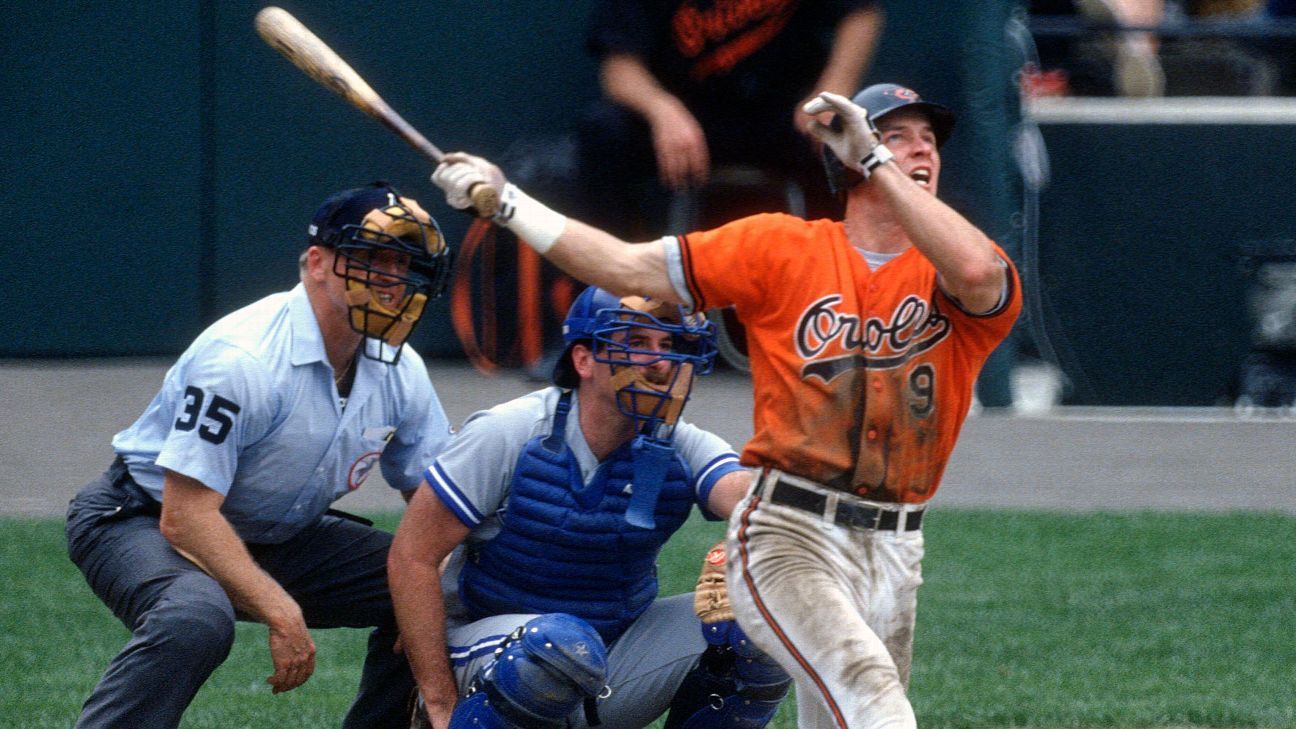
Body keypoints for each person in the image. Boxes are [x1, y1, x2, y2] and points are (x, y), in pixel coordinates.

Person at [431, 83, 1023, 727]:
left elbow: (975, 274)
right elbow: (627, 267)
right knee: (875, 700)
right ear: (844, 156)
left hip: (898, 546)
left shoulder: (959, 268)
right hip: (791, 532)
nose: (920, 150)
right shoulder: (780, 247)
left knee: (844, 712)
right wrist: (510, 205)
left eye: (928, 140)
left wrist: (877, 158)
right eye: (898, 134)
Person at [64, 182, 455, 728]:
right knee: (195, 619)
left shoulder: (400, 368)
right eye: (373, 260)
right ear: (318, 263)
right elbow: (186, 517)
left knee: (439, 592)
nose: (391, 280)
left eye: (403, 265)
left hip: (277, 534)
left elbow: (437, 503)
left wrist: (434, 579)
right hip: (141, 520)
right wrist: (280, 609)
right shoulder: (243, 358)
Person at [388, 286, 791, 729]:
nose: (660, 362)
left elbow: (742, 493)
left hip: (615, 657)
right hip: (495, 649)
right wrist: (439, 702)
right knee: (556, 647)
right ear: (583, 360)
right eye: (636, 343)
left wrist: (772, 499)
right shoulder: (510, 431)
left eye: (670, 345)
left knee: (755, 619)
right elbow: (412, 556)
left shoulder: (682, 442)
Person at [577, 0, 883, 237]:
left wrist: (831, 92)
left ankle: (845, 290)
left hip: (786, 112)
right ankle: (619, 296)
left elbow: (862, 13)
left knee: (848, 135)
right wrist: (662, 110)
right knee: (605, 130)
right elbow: (618, 69)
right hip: (688, 120)